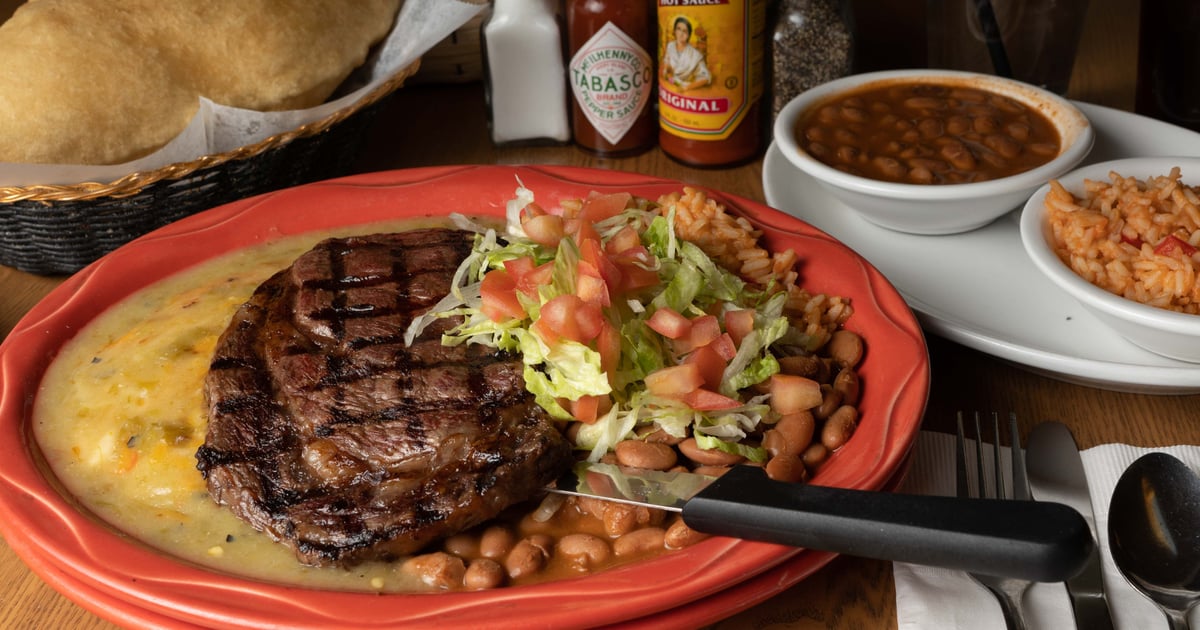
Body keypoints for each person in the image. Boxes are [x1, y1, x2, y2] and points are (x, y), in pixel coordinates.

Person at [661, 16, 711, 92]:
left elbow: (706, 78)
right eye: (679, 29)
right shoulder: (670, 46)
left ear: (688, 35)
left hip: (686, 90)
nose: (681, 33)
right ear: (674, 31)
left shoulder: (695, 55)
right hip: (670, 86)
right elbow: (666, 65)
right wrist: (667, 69)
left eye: (685, 31)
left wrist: (687, 87)